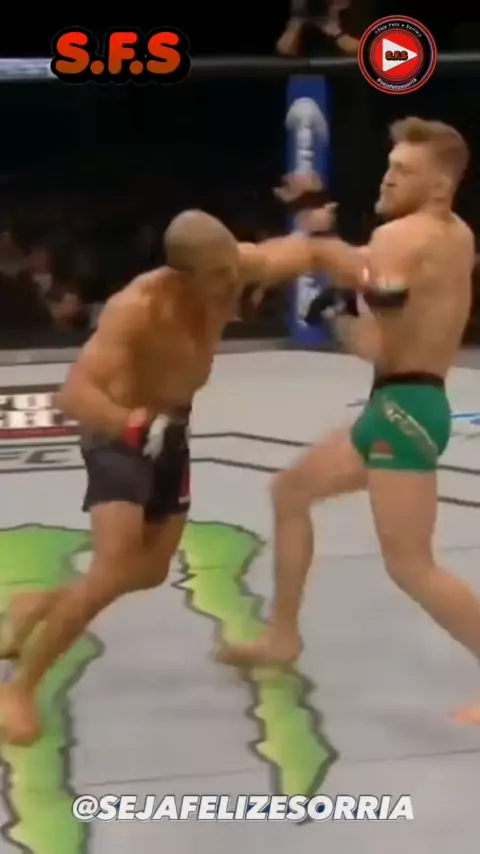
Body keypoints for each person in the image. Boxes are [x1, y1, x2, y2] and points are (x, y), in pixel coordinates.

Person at [0, 207, 364, 744]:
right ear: (182, 275)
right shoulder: (137, 307)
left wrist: (355, 263)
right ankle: (19, 688)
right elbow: (74, 394)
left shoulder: (234, 267)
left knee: (148, 571)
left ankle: (37, 604)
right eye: (217, 275)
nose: (231, 282)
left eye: (232, 266)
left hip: (170, 430)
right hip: (118, 430)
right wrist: (131, 425)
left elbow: (306, 250)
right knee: (114, 565)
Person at [219, 118, 480, 725]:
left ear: (439, 186)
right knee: (290, 492)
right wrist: (322, 241)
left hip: (403, 411)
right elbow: (353, 269)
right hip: (398, 405)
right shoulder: (452, 233)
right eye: (390, 166)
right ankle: (282, 636)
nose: (388, 178)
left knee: (411, 566)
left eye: (404, 171)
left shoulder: (401, 237)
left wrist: (333, 301)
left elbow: (372, 341)